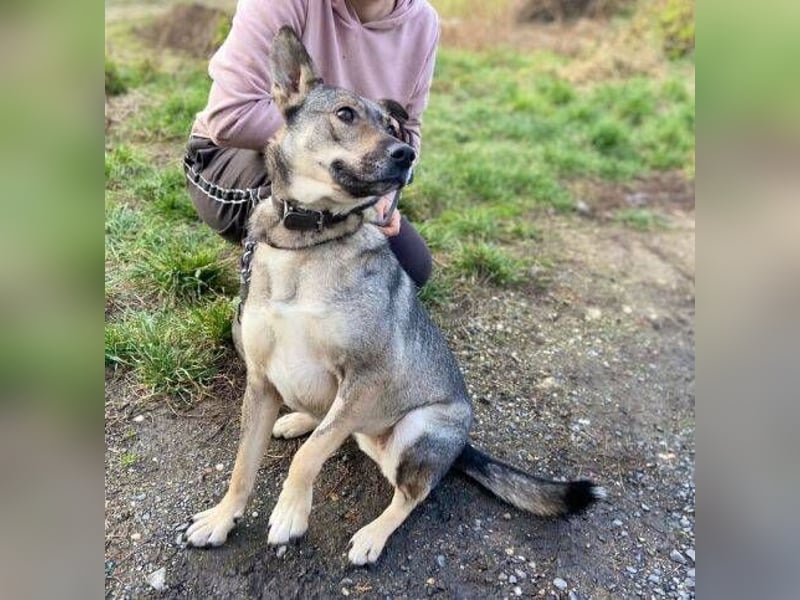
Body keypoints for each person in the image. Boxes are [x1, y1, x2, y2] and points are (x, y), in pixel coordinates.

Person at [184, 0, 439, 287]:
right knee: (303, 193)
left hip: (353, 169)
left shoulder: (423, 22)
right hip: (233, 156)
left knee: (410, 267)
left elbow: (408, 129)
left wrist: (385, 194)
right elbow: (232, 115)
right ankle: (266, 295)